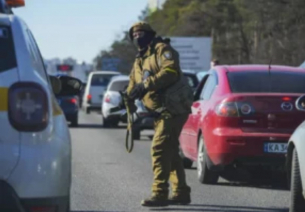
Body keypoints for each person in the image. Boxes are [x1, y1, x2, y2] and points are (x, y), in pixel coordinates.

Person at [125, 22, 192, 207]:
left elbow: (170, 71)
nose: (138, 36)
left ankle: (159, 193)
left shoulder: (163, 50)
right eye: (134, 34)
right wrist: (128, 97)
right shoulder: (139, 59)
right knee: (170, 151)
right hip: (158, 112)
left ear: (149, 34)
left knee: (160, 148)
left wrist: (145, 85)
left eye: (141, 33)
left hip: (174, 109)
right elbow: (133, 82)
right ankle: (181, 192)